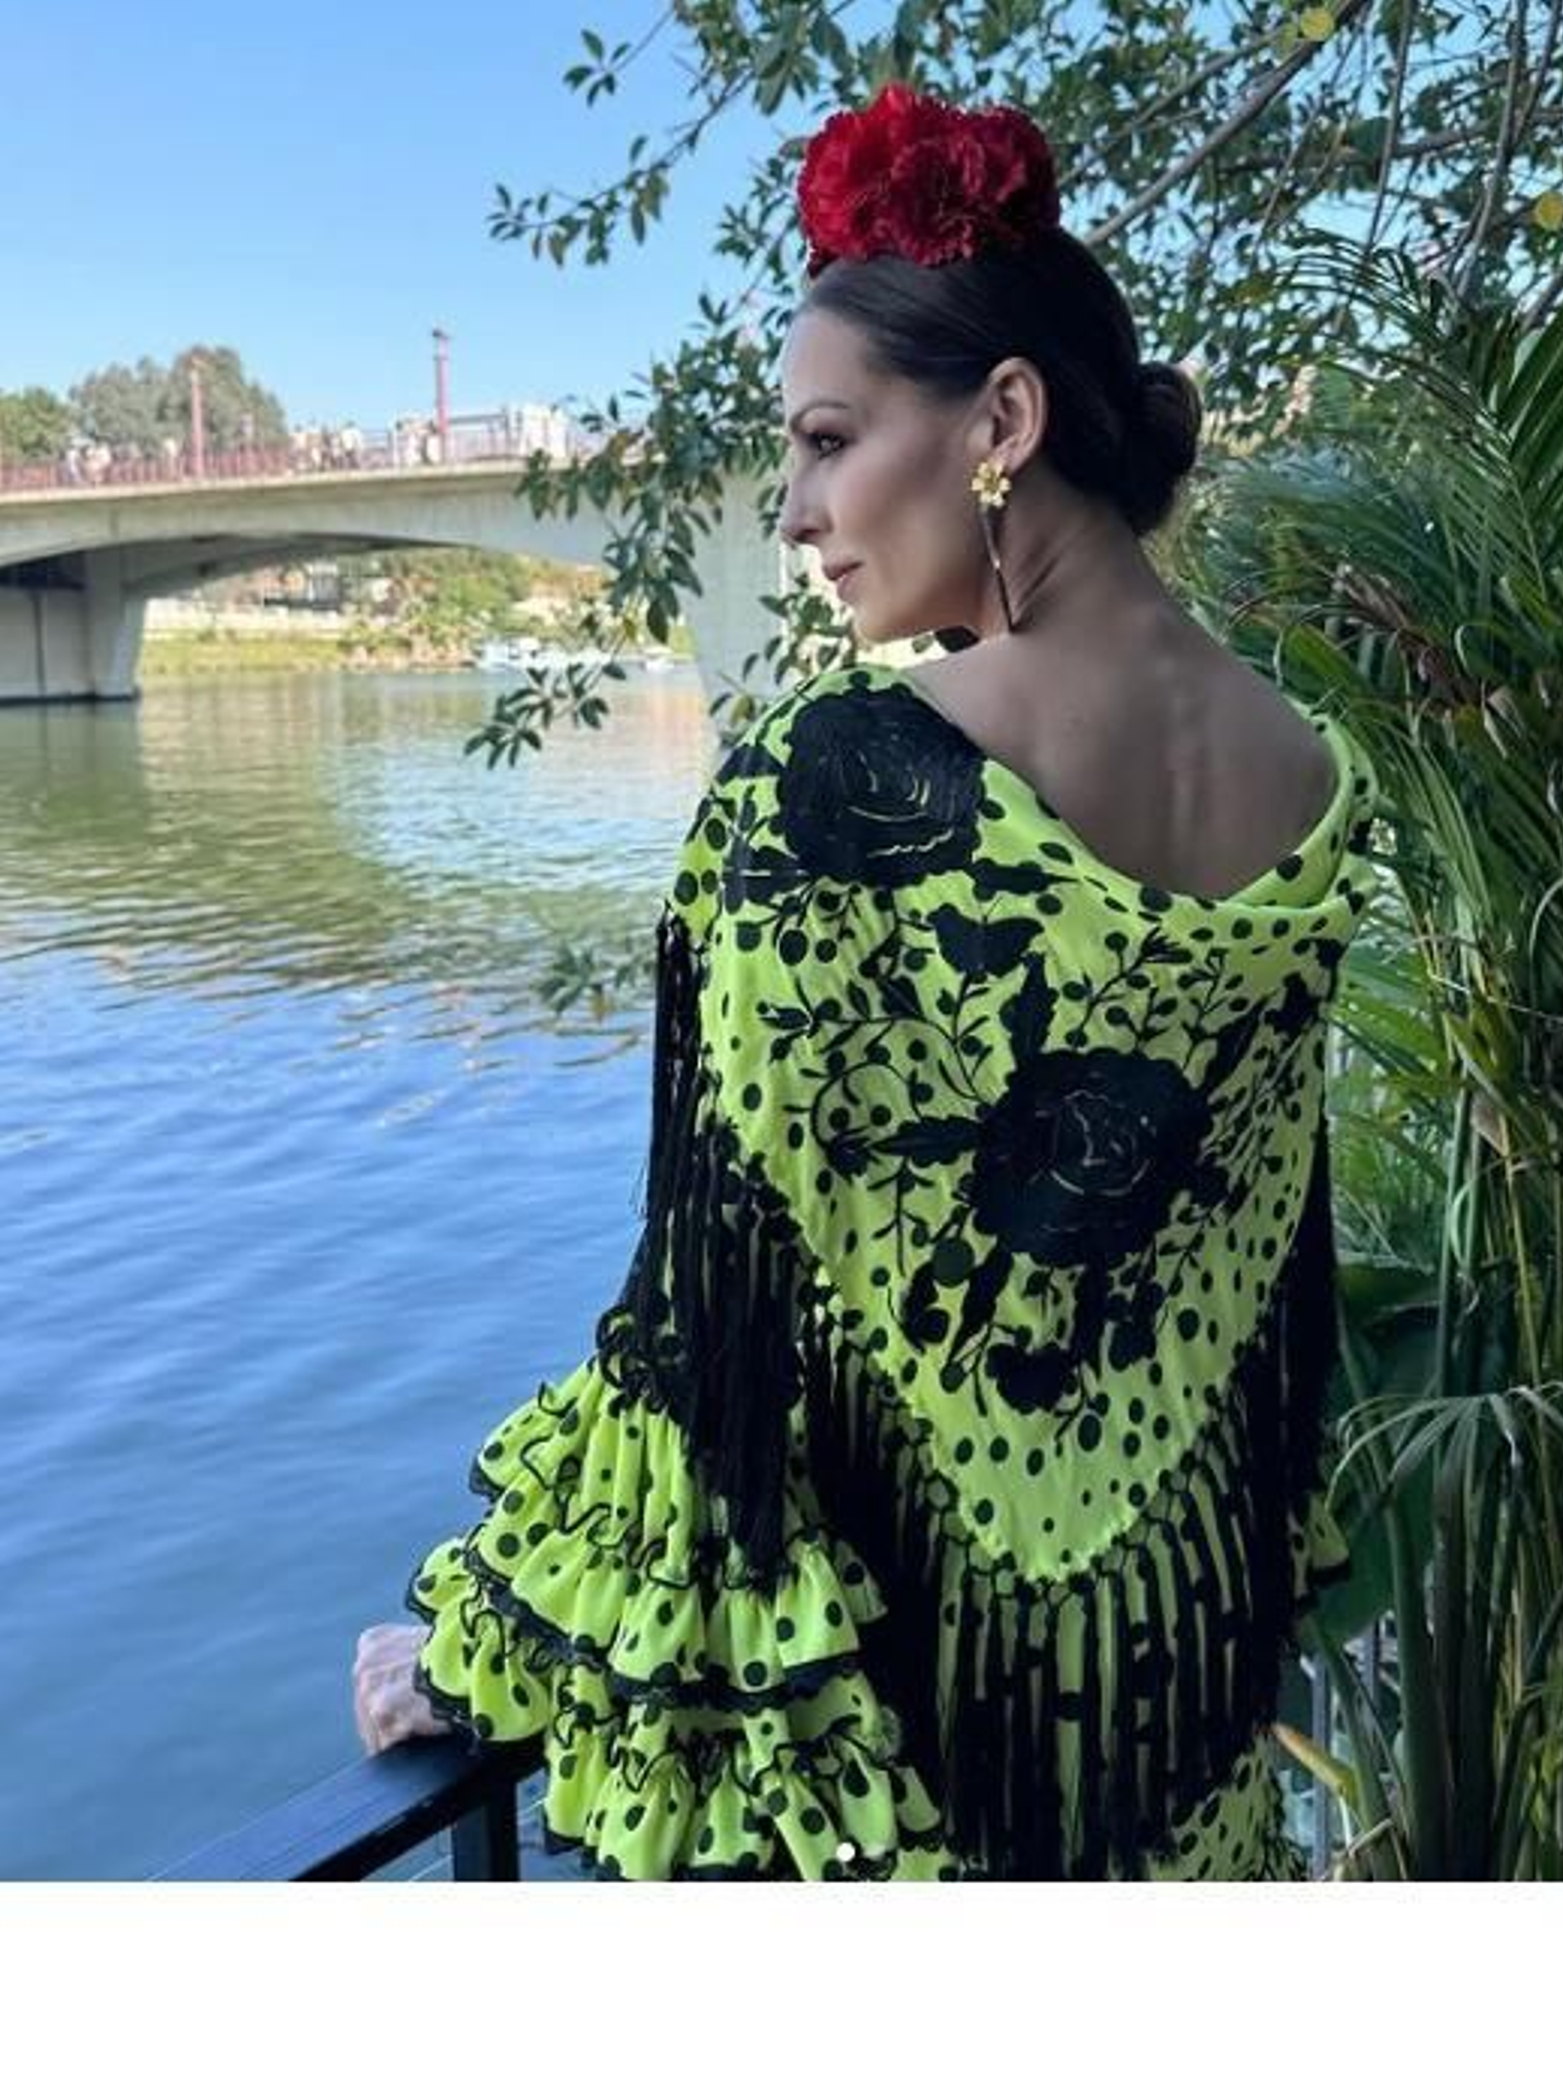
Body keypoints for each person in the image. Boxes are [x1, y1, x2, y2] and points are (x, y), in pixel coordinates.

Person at [353, 83, 1376, 1881]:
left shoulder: (840, 776)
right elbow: (1257, 1265)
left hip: (922, 1732)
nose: (802, 513)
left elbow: (714, 1327)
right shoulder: (1311, 774)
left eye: (829, 439)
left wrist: (491, 1645)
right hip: (1179, 1706)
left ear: (1002, 419)